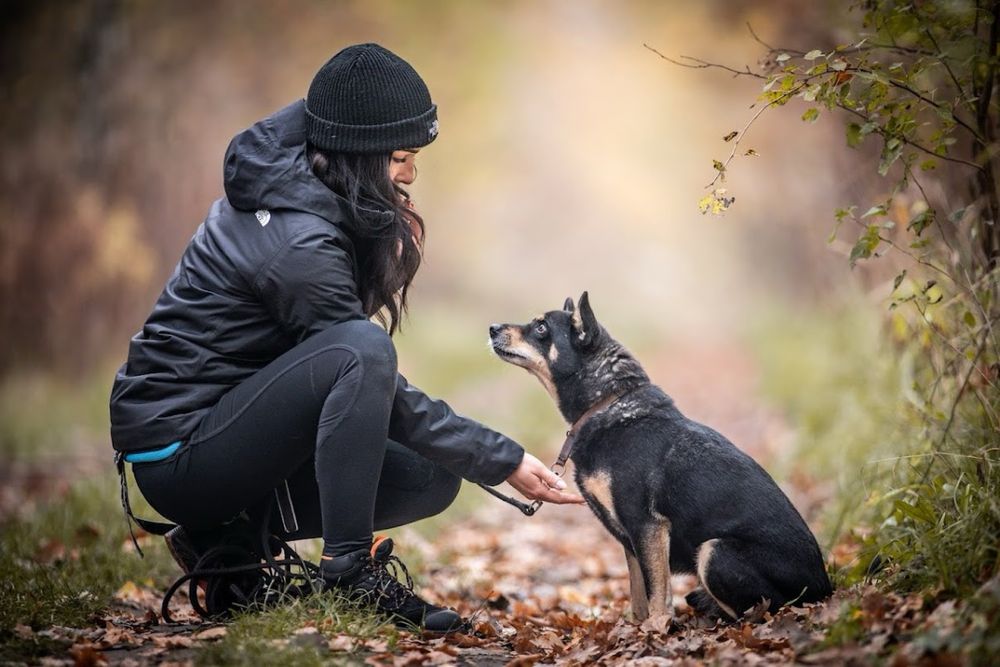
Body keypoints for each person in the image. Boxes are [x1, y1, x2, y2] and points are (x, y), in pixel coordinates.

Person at [109, 43, 583, 633]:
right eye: (401, 157)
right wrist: (500, 456)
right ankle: (348, 571)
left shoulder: (309, 190)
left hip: (226, 428)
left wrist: (476, 457)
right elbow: (358, 367)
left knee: (431, 474)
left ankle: (229, 546)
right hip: (179, 454)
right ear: (358, 154)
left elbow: (348, 388)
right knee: (363, 349)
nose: (411, 173)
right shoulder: (297, 241)